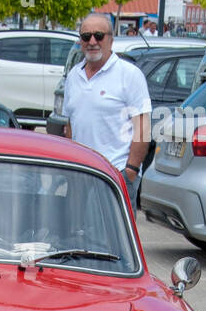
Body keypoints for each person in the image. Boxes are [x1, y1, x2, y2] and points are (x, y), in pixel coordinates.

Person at [63, 14, 151, 214]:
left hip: (115, 174)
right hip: (81, 174)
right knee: (78, 236)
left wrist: (131, 171)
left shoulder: (129, 75)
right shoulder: (73, 77)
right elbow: (70, 124)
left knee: (114, 243)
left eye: (98, 35)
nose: (92, 42)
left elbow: (143, 127)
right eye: (86, 36)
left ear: (111, 39)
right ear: (80, 41)